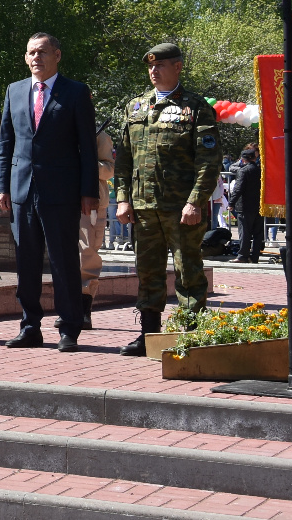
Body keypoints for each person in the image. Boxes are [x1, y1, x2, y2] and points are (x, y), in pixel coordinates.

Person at [0, 33, 98, 352]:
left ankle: (69, 327)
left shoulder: (76, 92)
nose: (35, 57)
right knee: (26, 261)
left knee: (63, 260)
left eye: (41, 52)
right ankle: (30, 326)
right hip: (23, 190)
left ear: (57, 55)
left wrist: (88, 191)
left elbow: (87, 148)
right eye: (30, 53)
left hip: (61, 192)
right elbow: (5, 143)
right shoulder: (15, 90)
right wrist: (1, 186)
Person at [113, 43, 218, 357]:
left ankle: (192, 335)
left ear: (178, 67)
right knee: (148, 271)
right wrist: (123, 199)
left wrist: (195, 201)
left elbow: (208, 161)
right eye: (150, 66)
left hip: (181, 209)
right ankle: (148, 335)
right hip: (144, 208)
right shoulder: (135, 107)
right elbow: (124, 160)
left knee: (188, 272)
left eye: (160, 65)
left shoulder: (196, 107)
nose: (154, 71)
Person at [71, 128, 116, 331]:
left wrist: (84, 161)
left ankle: (84, 309)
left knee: (87, 253)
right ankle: (68, 308)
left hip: (91, 202)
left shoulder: (99, 136)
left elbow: (109, 169)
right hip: (62, 199)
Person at [229, 146, 263, 263]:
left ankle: (243, 255)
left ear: (243, 160)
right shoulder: (260, 170)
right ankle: (255, 256)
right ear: (254, 158)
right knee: (258, 233)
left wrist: (231, 202)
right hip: (259, 205)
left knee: (244, 231)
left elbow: (238, 189)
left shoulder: (243, 171)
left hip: (244, 205)